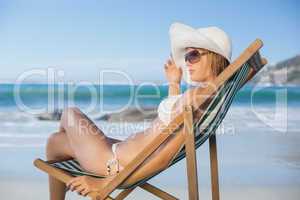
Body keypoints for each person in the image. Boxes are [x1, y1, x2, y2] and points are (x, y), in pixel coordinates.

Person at [46, 22, 232, 199]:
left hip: (112, 164)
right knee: (55, 142)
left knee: (69, 113)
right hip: (116, 154)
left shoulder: (199, 97)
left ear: (214, 57)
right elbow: (170, 124)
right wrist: (174, 83)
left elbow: (165, 155)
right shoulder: (206, 95)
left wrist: (105, 183)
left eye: (193, 55)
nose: (187, 62)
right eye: (186, 57)